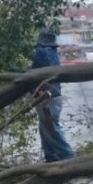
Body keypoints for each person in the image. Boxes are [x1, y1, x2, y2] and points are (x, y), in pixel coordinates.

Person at [32, 28, 75, 162]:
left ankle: (68, 156)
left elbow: (33, 72)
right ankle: (50, 156)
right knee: (45, 127)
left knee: (51, 127)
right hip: (54, 95)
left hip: (46, 97)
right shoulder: (53, 53)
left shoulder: (41, 52)